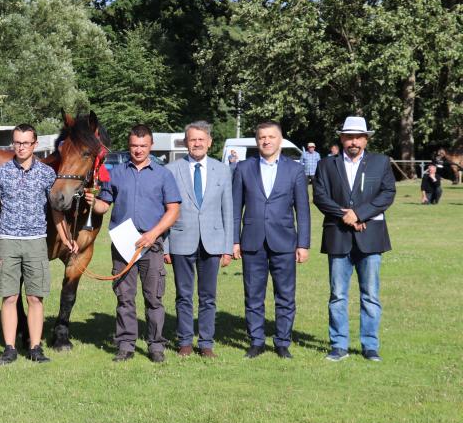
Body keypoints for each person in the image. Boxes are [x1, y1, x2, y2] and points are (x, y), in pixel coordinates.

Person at [86, 124, 181, 363]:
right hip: (123, 244)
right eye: (134, 146)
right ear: (129, 146)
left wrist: (153, 233)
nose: (138, 150)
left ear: (151, 146)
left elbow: (173, 210)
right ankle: (126, 345)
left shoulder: (163, 175)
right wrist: (93, 202)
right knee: (124, 297)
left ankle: (156, 346)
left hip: (151, 244)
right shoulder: (116, 173)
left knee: (154, 298)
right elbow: (104, 205)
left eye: (143, 146)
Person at [0, 124, 74, 366]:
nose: (21, 147)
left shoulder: (46, 174)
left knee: (35, 298)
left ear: (34, 144)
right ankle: (9, 348)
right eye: (17, 142)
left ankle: (35, 348)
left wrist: (66, 238)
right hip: (7, 242)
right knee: (9, 297)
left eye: (26, 143)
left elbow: (56, 212)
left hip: (36, 243)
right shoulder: (1, 173)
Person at [313, 116, 396, 362]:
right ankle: (339, 345)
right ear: (341, 138)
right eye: (349, 137)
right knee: (338, 295)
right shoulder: (326, 164)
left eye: (358, 137)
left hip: (370, 237)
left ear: (366, 139)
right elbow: (320, 196)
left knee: (370, 295)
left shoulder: (381, 162)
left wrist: (360, 214)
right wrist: (346, 216)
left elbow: (387, 193)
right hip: (338, 236)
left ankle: (370, 346)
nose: (354, 142)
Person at [232, 121, 310, 360]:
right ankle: (256, 341)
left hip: (285, 241)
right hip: (252, 241)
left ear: (280, 140)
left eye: (271, 136)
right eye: (262, 137)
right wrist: (234, 240)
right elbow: (235, 208)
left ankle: (282, 342)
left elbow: (303, 210)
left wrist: (303, 244)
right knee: (253, 295)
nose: (266, 141)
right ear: (257, 141)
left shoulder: (295, 169)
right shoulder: (243, 168)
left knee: (285, 295)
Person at [163, 122, 232, 358]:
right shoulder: (172, 170)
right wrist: (165, 246)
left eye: (201, 139)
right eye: (192, 139)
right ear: (186, 142)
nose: (197, 143)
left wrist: (227, 248)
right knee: (183, 295)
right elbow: (166, 210)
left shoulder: (222, 170)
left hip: (213, 242)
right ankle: (184, 341)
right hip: (181, 240)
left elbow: (228, 211)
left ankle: (206, 343)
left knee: (208, 297)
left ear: (210, 142)